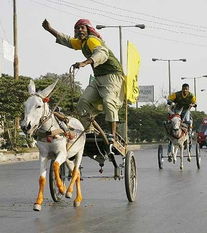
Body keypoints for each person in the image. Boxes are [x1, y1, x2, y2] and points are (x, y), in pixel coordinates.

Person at [42, 18, 124, 140]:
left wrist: (84, 63)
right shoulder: (82, 43)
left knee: (108, 101)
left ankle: (113, 135)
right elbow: (68, 41)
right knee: (82, 103)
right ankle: (90, 132)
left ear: (88, 29)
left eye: (82, 28)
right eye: (77, 28)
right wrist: (49, 29)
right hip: (98, 78)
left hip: (112, 76)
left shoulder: (92, 40)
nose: (80, 30)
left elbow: (102, 54)